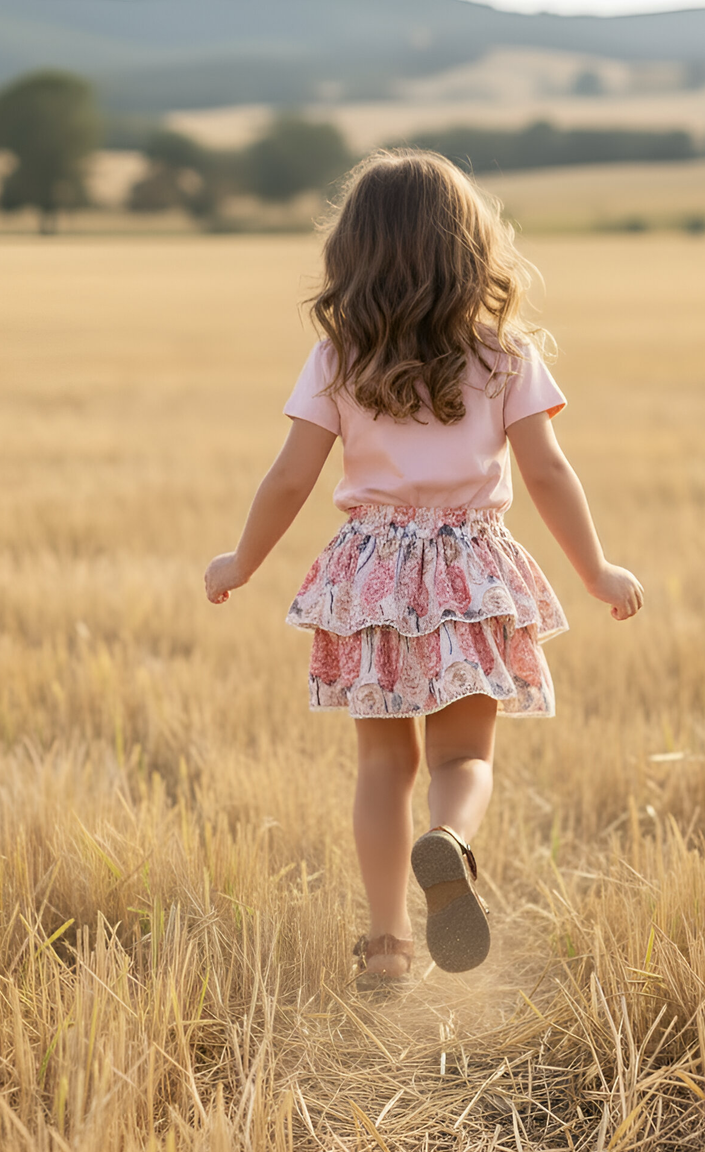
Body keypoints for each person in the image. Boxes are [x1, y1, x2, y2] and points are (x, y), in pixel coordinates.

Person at [204, 150, 643, 988]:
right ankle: (451, 842)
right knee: (462, 758)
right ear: (470, 247)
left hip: (369, 576)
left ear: (354, 253)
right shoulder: (503, 354)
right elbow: (549, 472)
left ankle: (386, 944)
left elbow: (291, 475)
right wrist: (596, 570)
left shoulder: (339, 358)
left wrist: (241, 559)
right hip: (471, 571)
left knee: (381, 764)